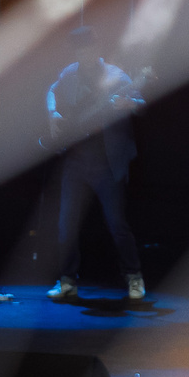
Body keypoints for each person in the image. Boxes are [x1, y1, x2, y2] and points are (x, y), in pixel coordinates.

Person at [44, 26, 147, 304]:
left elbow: (139, 101)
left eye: (87, 48)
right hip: (76, 162)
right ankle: (67, 282)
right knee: (66, 224)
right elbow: (51, 91)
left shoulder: (117, 76)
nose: (83, 53)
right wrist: (53, 113)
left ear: (98, 49)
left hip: (108, 164)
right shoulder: (70, 73)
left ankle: (134, 277)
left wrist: (129, 104)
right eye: (78, 49)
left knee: (116, 223)